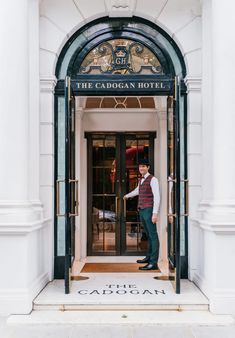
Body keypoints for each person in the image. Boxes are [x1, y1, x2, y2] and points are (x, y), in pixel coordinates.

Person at [124, 159, 160, 270]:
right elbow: (137, 191)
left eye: (143, 166)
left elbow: (157, 197)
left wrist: (155, 213)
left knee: (153, 236)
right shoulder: (141, 180)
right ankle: (148, 257)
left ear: (148, 167)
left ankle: (153, 263)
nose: (141, 168)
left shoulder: (153, 179)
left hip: (149, 210)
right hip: (142, 210)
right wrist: (126, 196)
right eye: (140, 167)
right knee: (148, 235)